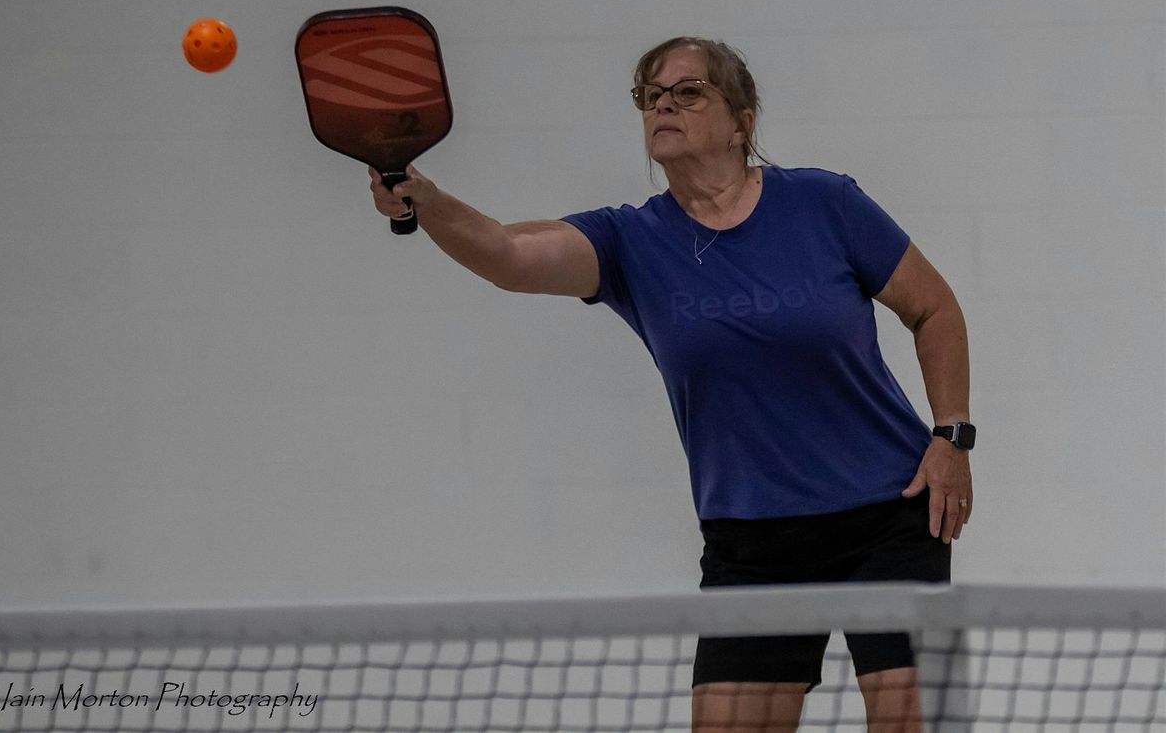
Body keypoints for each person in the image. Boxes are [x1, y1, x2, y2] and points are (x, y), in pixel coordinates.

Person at [368, 37, 974, 733]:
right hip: (752, 542)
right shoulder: (630, 242)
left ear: (740, 120)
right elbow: (506, 253)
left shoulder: (825, 204)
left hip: (888, 514)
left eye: (687, 91)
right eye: (649, 95)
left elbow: (935, 309)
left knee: (907, 724)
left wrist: (951, 435)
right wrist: (426, 199)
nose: (663, 105)